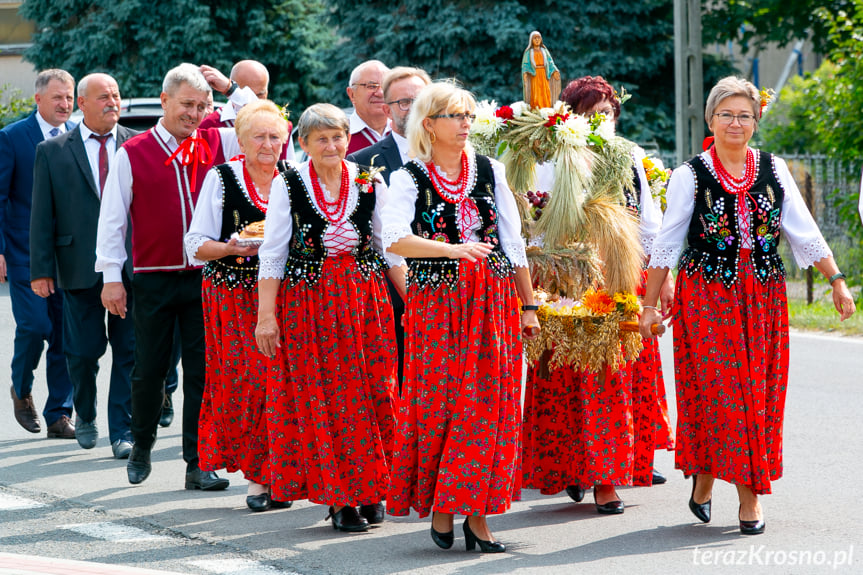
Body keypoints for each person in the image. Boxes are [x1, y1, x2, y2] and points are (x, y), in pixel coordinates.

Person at [640, 76, 856, 535]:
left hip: (762, 296)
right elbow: (665, 245)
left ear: (755, 121)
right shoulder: (689, 175)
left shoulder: (774, 170)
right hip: (707, 297)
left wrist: (836, 279)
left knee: (760, 393)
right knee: (721, 392)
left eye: (744, 115)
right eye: (726, 114)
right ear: (710, 120)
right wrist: (648, 307)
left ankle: (708, 477)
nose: (735, 123)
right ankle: (746, 495)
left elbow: (803, 230)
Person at [383, 82, 539, 553]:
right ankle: (443, 503)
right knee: (440, 404)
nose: (466, 123)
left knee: (488, 406)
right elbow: (393, 238)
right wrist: (452, 250)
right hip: (437, 300)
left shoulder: (491, 170)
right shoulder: (410, 177)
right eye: (455, 115)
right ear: (429, 124)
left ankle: (476, 512)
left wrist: (528, 306)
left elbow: (513, 246)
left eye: (469, 115)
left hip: (490, 301)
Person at [521, 76, 675, 515]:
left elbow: (650, 223)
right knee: (567, 377)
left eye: (605, 113)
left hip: (621, 274)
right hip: (567, 276)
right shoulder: (551, 157)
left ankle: (609, 476)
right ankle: (572, 466)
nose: (599, 121)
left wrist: (662, 280)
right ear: (570, 117)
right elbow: (534, 221)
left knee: (615, 380)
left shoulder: (628, 155)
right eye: (588, 114)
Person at [96, 63, 254, 488]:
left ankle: (197, 462)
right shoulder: (134, 151)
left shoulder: (219, 140)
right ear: (164, 100)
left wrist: (232, 88)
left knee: (204, 372)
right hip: (153, 276)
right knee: (148, 368)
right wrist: (112, 276)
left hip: (208, 274)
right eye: (187, 104)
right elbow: (112, 221)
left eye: (203, 105)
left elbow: (267, 122)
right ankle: (142, 445)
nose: (195, 113)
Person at [255, 103, 398, 532]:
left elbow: (388, 246)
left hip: (364, 302)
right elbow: (274, 252)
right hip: (310, 304)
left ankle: (373, 487)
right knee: (327, 398)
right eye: (322, 139)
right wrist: (266, 317)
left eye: (338, 137)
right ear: (304, 144)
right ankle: (340, 498)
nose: (333, 145)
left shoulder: (370, 180)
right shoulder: (289, 183)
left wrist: (416, 301)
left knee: (376, 392)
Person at [185, 99, 293, 512]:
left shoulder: (293, 177)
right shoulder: (223, 177)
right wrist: (231, 247)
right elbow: (195, 245)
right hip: (233, 295)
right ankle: (256, 478)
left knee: (281, 383)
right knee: (247, 383)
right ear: (242, 142)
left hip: (284, 295)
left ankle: (278, 473)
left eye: (275, 137)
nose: (268, 145)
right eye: (259, 137)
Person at [29, 73, 137, 458]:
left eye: (116, 94)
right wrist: (41, 269)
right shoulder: (54, 150)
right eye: (103, 96)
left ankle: (122, 430)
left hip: (130, 268)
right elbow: (42, 215)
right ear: (82, 103)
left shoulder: (136, 145)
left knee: (130, 352)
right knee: (84, 351)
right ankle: (87, 414)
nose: (112, 101)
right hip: (79, 267)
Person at [0, 69, 76, 439]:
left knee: (66, 334)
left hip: (70, 255)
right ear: (39, 100)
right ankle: (21, 387)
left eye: (69, 97)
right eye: (58, 97)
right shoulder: (13, 138)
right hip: (23, 252)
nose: (65, 104)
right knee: (35, 326)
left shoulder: (79, 137)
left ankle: (59, 414)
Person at [348, 66, 432, 389]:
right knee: (397, 387)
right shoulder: (361, 162)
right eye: (403, 102)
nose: (412, 108)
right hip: (390, 299)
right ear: (386, 109)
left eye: (420, 100)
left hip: (449, 292)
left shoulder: (455, 157)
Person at [345, 60, 391, 155]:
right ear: (352, 94)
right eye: (371, 86)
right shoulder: (337, 137)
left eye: (385, 86)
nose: (380, 93)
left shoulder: (406, 133)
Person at [521, 31, 561, 109]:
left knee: (546, 92)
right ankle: (536, 109)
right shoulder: (528, 52)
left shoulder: (544, 50)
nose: (537, 40)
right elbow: (525, 64)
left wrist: (555, 70)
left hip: (544, 74)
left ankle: (546, 109)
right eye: (535, 38)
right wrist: (525, 72)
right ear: (531, 40)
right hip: (535, 75)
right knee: (536, 93)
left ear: (541, 39)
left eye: (538, 38)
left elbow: (550, 62)